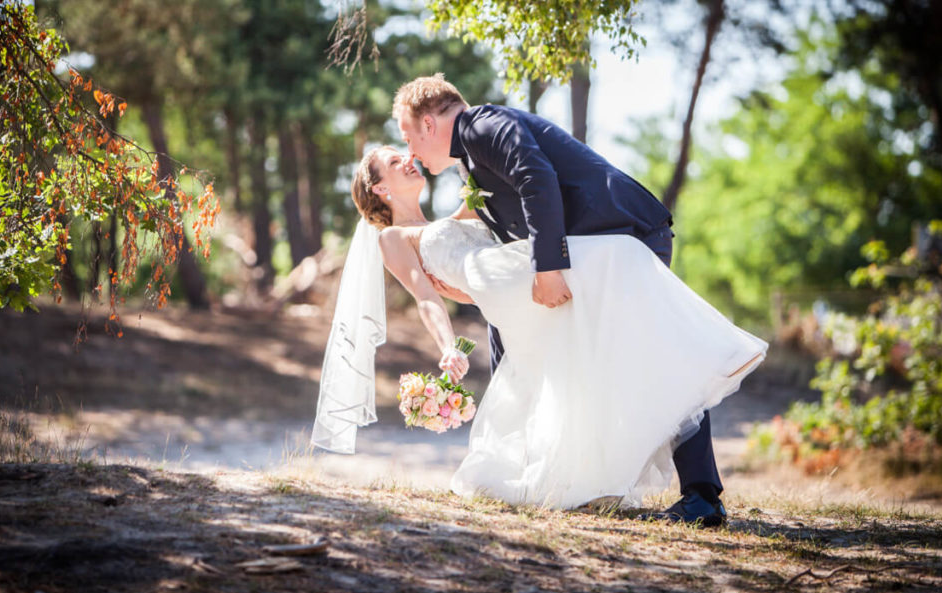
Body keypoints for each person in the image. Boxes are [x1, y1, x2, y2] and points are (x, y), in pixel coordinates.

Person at [311, 135, 766, 516]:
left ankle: (698, 367)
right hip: (515, 285)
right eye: (395, 161)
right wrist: (448, 346)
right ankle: (715, 351)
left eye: (407, 153)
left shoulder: (452, 218)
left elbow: (485, 212)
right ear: (380, 189)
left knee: (606, 341)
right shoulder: (393, 238)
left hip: (519, 283)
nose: (408, 160)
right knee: (616, 257)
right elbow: (427, 300)